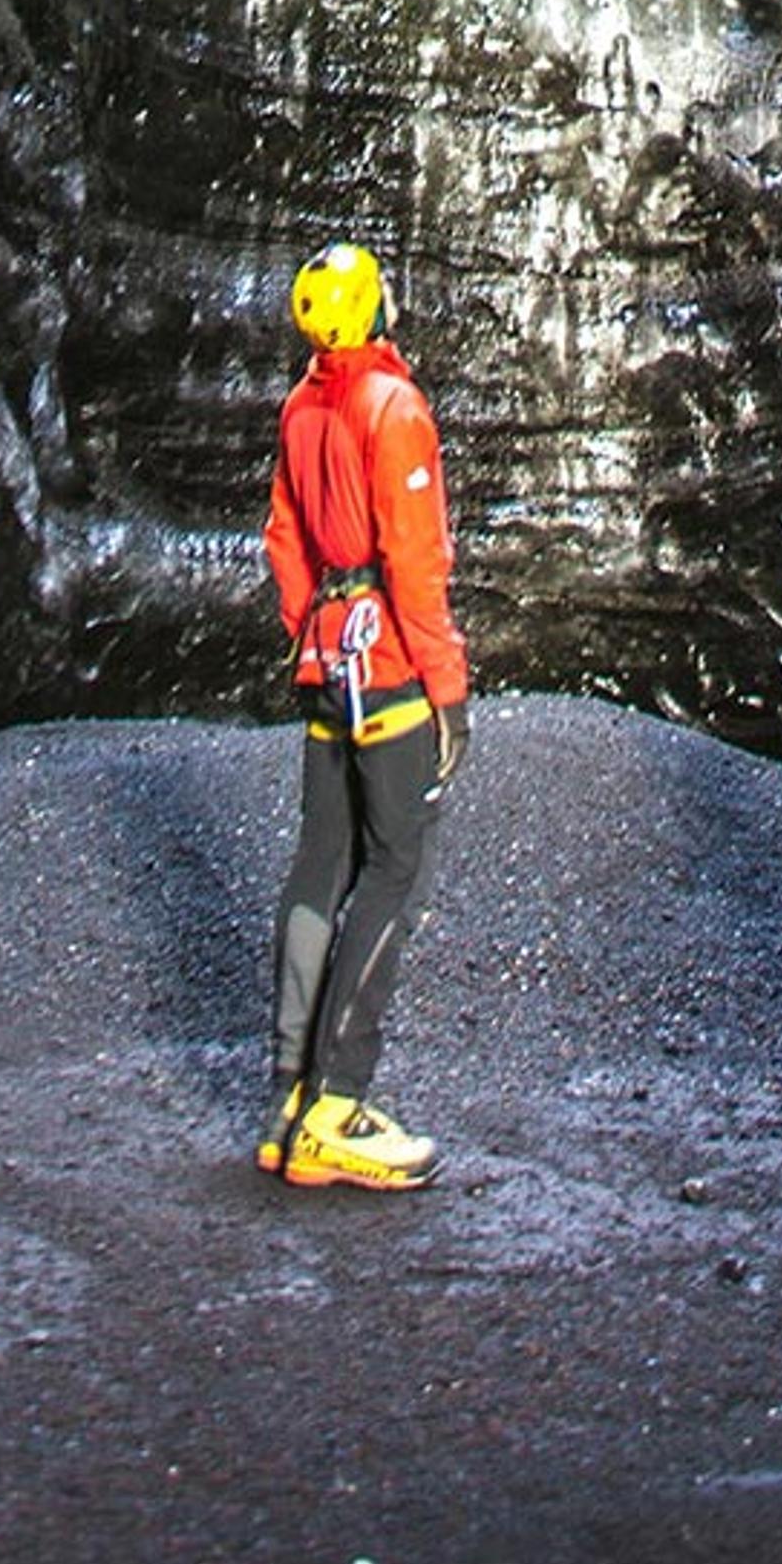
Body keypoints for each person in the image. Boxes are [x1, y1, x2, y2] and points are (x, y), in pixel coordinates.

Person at [257, 240, 469, 1188]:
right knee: (393, 868)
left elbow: (282, 539)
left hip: (322, 656)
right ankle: (340, 1102)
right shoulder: (396, 407)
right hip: (383, 668)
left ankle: (288, 1097)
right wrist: (447, 686)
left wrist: (310, 629)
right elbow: (417, 564)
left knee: (318, 862)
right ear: (376, 308)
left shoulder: (300, 406)